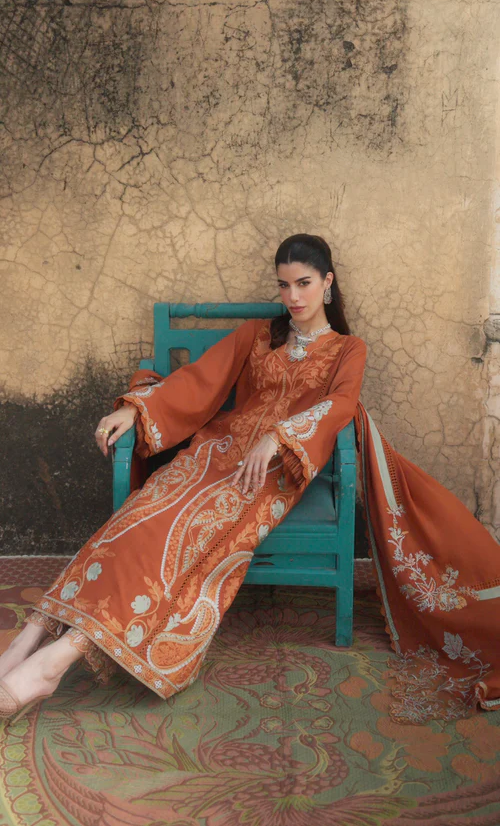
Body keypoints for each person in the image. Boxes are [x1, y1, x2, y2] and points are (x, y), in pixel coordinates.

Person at [1, 234, 499, 726]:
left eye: (304, 283)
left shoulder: (349, 350)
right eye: (284, 285)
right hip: (214, 452)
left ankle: (55, 662)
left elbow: (340, 406)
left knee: (181, 536)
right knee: (138, 518)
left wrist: (279, 438)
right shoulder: (259, 334)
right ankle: (27, 641)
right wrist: (136, 409)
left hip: (273, 474)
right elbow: (199, 381)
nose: (293, 296)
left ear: (327, 282)